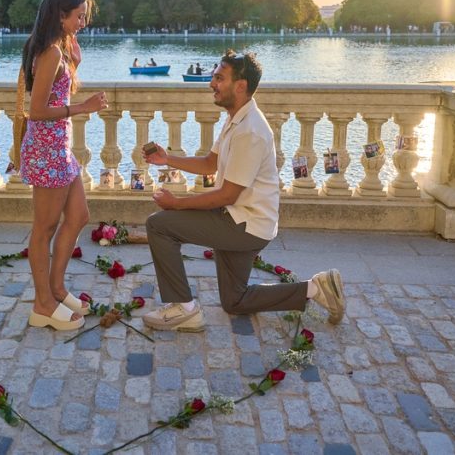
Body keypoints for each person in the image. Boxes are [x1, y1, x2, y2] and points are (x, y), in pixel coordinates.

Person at [141, 50, 345, 331]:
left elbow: (228, 195)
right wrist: (168, 159)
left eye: (219, 78)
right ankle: (316, 289)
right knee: (235, 302)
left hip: (244, 224)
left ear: (240, 86)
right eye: (213, 77)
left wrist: (176, 204)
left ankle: (183, 308)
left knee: (159, 225)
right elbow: (210, 163)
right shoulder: (236, 117)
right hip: (241, 219)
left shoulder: (250, 129)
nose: (212, 83)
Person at [20, 0, 109, 331]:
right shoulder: (49, 54)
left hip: (60, 148)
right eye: (79, 15)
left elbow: (62, 83)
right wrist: (82, 108)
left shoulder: (61, 49)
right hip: (46, 150)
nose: (84, 21)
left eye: (85, 15)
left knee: (79, 215)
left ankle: (56, 287)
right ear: (61, 15)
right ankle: (42, 304)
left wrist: (74, 48)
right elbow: (37, 110)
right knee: (43, 229)